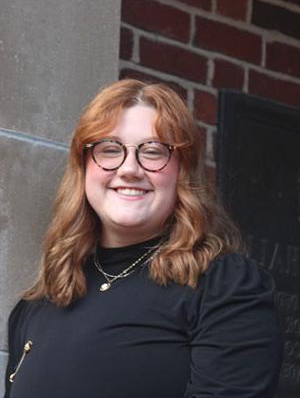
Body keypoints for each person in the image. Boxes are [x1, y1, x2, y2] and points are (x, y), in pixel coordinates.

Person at [4, 79, 282, 398]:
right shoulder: (37, 306)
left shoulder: (223, 287)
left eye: (152, 151)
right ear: (83, 168)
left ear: (183, 171)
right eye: (109, 149)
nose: (130, 169)